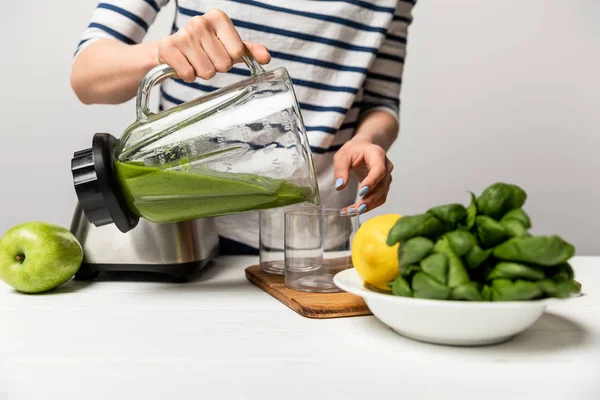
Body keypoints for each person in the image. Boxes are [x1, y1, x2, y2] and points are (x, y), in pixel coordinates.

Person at [71, 0, 415, 255]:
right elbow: (86, 77)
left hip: (312, 240)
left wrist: (368, 139)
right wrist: (164, 53)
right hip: (184, 234)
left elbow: (381, 102)